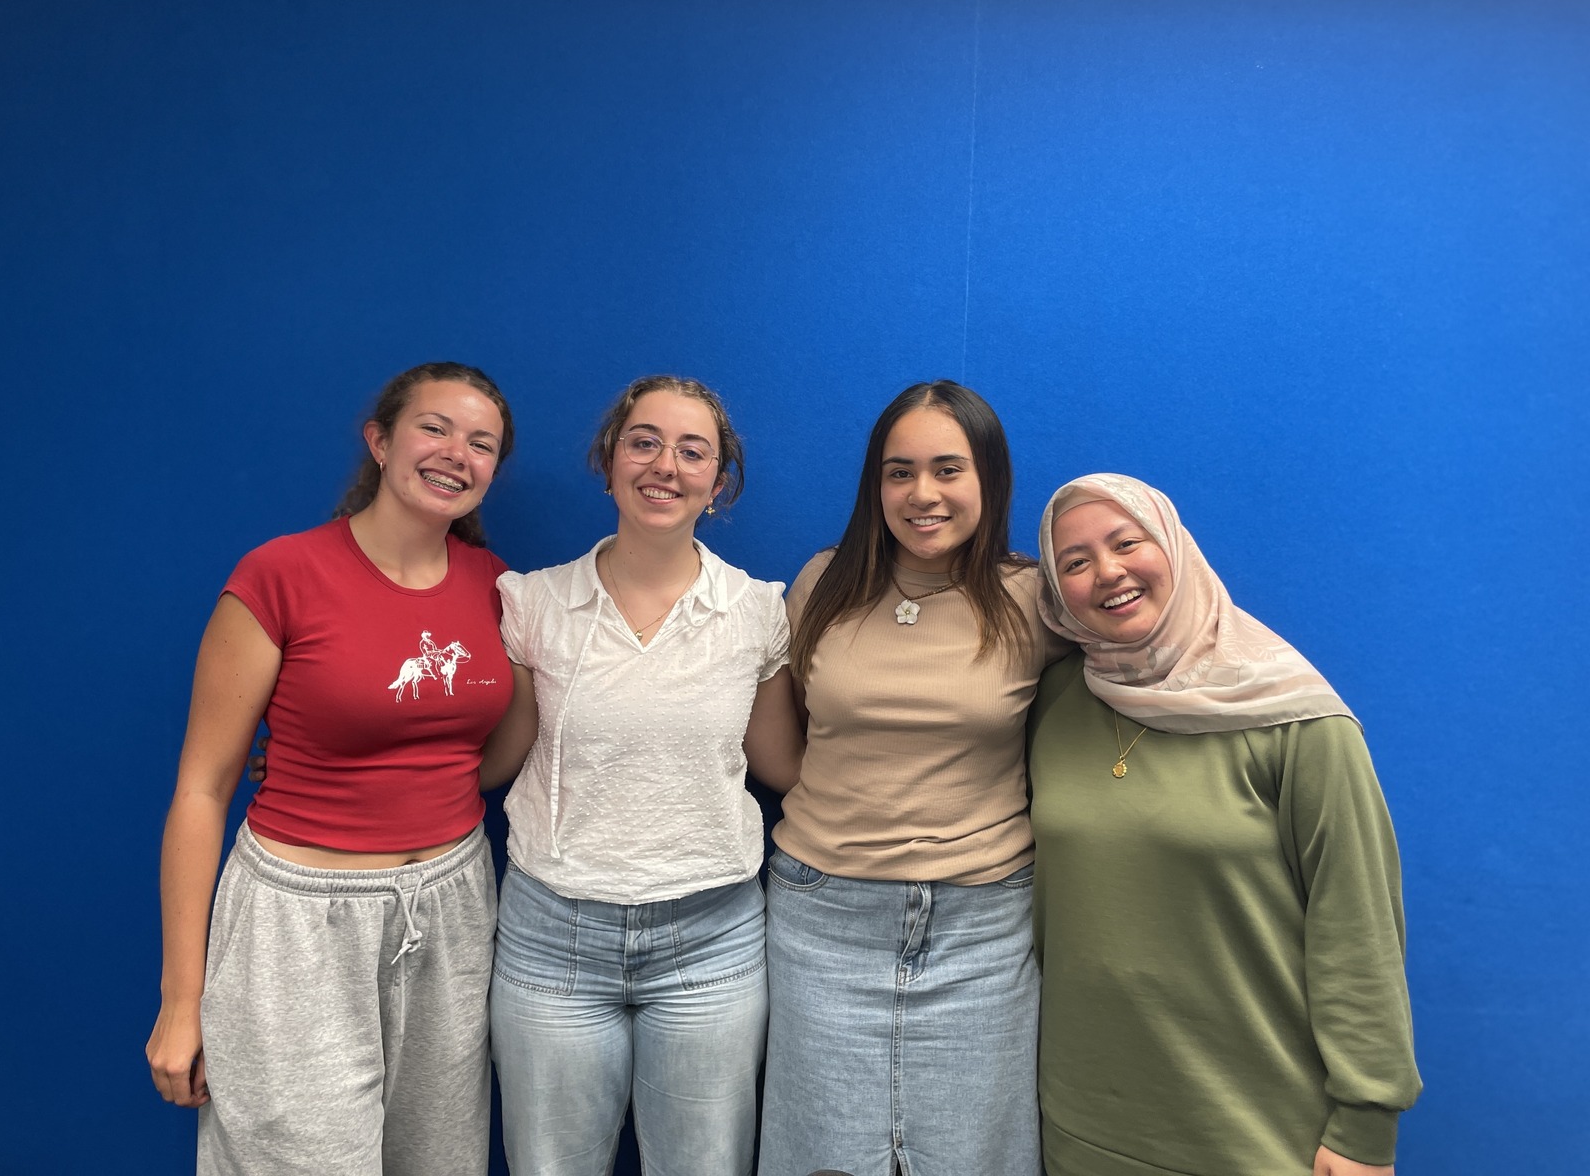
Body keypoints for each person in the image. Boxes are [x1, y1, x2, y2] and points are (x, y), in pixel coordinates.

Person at [145, 362, 517, 1175]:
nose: (457, 452)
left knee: (439, 1161)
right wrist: (182, 1000)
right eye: (435, 428)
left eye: (481, 442)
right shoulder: (282, 576)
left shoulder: (498, 590)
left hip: (451, 912)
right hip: (299, 920)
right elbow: (202, 789)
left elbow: (482, 755)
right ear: (379, 441)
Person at [1029, 472, 1422, 1176]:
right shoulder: (1053, 702)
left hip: (1257, 1129)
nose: (1107, 572)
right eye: (1075, 562)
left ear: (1176, 551)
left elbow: (1359, 926)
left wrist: (1366, 1122)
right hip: (1082, 1122)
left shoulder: (1298, 719)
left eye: (1127, 543)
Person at [481, 375, 804, 1176]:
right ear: (609, 460)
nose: (665, 465)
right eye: (644, 441)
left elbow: (781, 768)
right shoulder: (534, 604)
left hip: (712, 940)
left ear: (718, 483)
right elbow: (496, 760)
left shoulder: (758, 611)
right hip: (552, 937)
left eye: (692, 451)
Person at [757, 381, 1062, 1176]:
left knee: (975, 1158)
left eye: (947, 469)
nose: (922, 493)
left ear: (989, 480)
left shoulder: (1035, 598)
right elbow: (785, 753)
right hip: (823, 919)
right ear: (876, 485)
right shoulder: (821, 584)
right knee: (819, 1153)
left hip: (984, 928)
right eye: (899, 472)